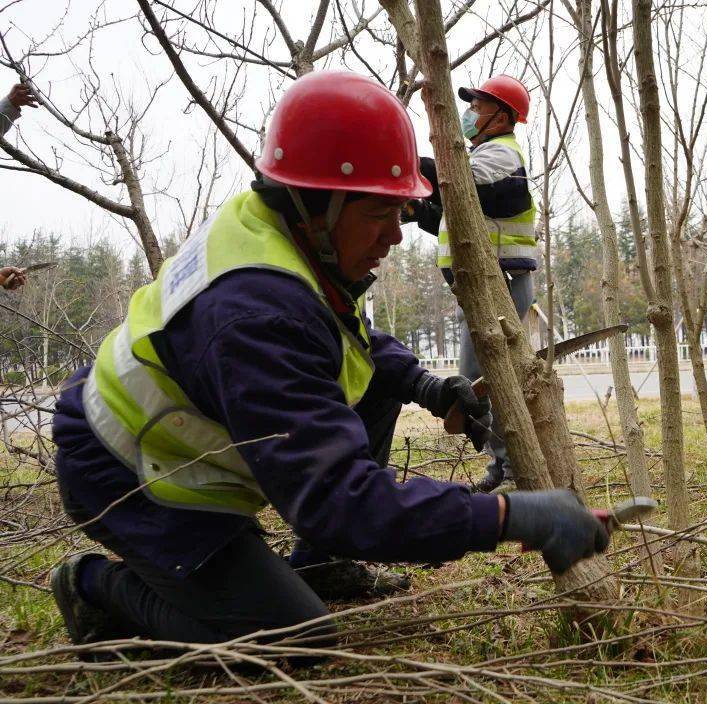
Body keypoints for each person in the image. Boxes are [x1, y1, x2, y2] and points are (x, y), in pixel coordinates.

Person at [49, 71, 609, 649]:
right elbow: (337, 500)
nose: (396, 235)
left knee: (381, 385)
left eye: (400, 213)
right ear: (317, 205)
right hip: (128, 474)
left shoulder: (277, 232)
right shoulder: (259, 313)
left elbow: (347, 339)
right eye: (378, 214)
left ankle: (319, 566)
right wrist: (506, 516)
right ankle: (93, 587)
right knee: (291, 635)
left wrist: (431, 388)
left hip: (178, 459)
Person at [405, 75, 537, 494]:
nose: (470, 113)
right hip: (480, 286)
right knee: (482, 379)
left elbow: (452, 179)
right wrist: (419, 211)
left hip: (501, 283)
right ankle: (502, 468)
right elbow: (458, 214)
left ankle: (515, 471)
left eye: (478, 107)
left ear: (502, 117)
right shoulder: (486, 157)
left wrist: (405, 161)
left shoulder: (499, 156)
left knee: (485, 381)